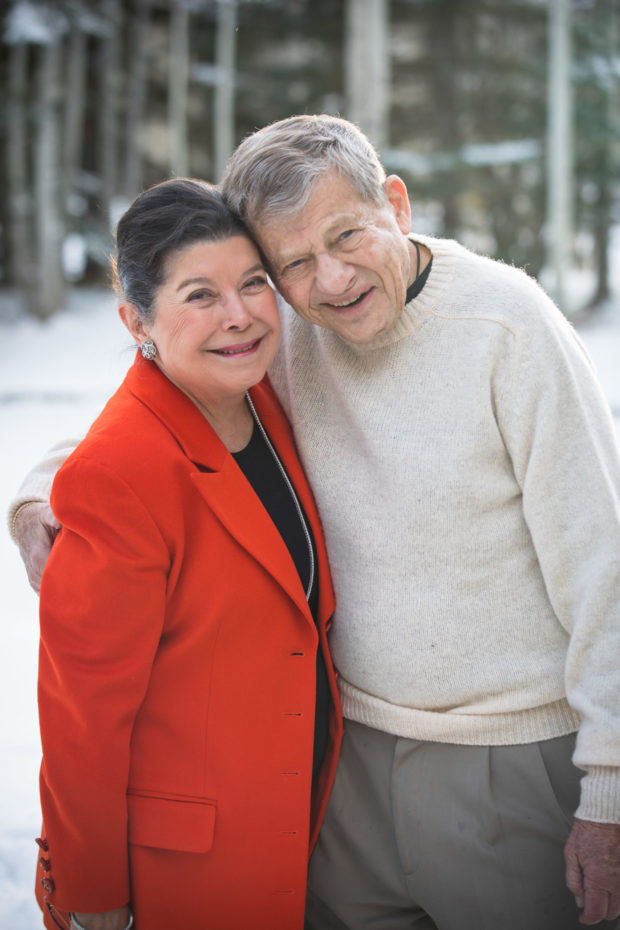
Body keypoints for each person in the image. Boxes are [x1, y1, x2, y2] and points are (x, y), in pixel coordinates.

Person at [10, 115, 620, 930]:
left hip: (505, 760)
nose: (331, 279)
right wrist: (38, 494)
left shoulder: (507, 328)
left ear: (395, 205)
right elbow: (159, 411)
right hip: (345, 764)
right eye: (293, 262)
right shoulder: (281, 325)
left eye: (347, 235)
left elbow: (604, 568)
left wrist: (608, 790)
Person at [20, 177, 342, 930]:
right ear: (137, 319)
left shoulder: (262, 398)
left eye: (253, 283)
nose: (240, 316)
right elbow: (82, 719)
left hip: (299, 822)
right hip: (186, 866)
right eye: (200, 295)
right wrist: (92, 894)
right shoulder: (119, 472)